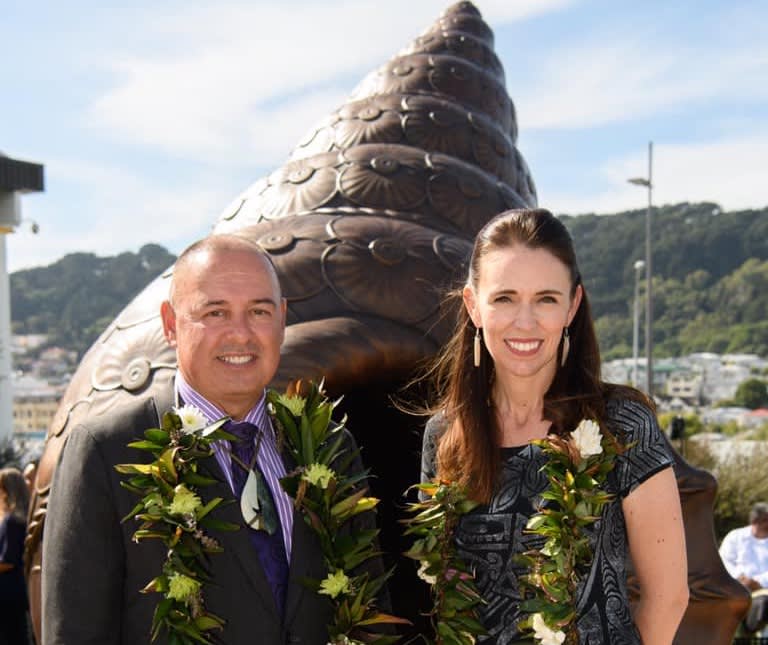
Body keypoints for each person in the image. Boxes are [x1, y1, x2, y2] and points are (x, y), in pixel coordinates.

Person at [42, 235, 372, 644]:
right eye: (215, 313)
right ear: (170, 324)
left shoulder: (331, 448)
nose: (241, 334)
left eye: (259, 311)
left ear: (282, 319)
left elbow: (369, 611)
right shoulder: (107, 451)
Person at [419, 208, 689, 643]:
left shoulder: (622, 423)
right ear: (473, 306)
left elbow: (669, 596)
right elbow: (445, 588)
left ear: (572, 305)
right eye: (504, 298)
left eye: (546, 298)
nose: (525, 322)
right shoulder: (445, 435)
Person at [719, 502, 768, 634]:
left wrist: (758, 582)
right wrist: (740, 578)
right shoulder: (735, 536)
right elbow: (724, 561)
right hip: (735, 589)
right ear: (759, 520)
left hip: (763, 591)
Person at [0, 467, 31, 645]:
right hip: (15, 593)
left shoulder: (12, 521)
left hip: (7, 595)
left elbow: (8, 561)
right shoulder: (18, 519)